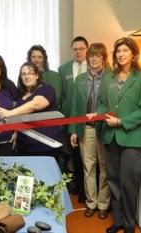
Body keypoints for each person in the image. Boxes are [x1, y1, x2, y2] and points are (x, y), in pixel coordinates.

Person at [93, 37, 141, 233]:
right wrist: (97, 114)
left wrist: (122, 121)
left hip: (133, 138)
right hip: (111, 137)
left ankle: (128, 224)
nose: (121, 54)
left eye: (125, 50)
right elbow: (103, 103)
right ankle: (117, 222)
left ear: (133, 54)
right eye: (118, 51)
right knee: (114, 181)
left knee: (128, 183)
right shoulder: (108, 77)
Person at [69, 43, 111, 219]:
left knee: (105, 167)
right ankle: (91, 202)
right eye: (91, 56)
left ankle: (103, 204)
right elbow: (74, 106)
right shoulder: (80, 80)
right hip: (85, 129)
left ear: (103, 58)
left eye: (98, 56)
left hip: (105, 128)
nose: (94, 59)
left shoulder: (111, 77)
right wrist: (73, 130)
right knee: (89, 167)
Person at [0, 62, 60, 158]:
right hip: (24, 147)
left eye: (30, 73)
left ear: (37, 75)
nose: (27, 76)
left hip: (46, 147)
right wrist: (16, 131)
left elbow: (35, 105)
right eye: (23, 74)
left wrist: (9, 113)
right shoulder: (20, 95)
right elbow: (19, 117)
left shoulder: (46, 89)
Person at [58, 36, 89, 203]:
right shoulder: (63, 69)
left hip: (91, 119)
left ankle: (91, 193)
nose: (78, 52)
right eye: (75, 49)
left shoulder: (94, 65)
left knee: (91, 160)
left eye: (81, 48)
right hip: (71, 119)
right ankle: (80, 191)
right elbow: (62, 95)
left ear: (87, 49)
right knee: (76, 157)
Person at [27, 45, 62, 109]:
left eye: (40, 57)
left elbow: (57, 98)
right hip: (28, 115)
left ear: (44, 59)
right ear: (29, 59)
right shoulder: (23, 76)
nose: (36, 60)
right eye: (33, 57)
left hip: (50, 114)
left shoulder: (55, 76)